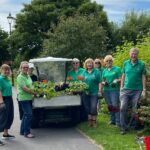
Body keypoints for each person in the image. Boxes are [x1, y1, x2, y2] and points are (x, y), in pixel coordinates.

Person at [120, 48, 146, 135]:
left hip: (137, 90)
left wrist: (144, 90)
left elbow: (143, 76)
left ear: (137, 54)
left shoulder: (142, 64)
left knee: (135, 109)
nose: (133, 55)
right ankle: (123, 127)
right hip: (126, 89)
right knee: (123, 107)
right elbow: (123, 75)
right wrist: (121, 86)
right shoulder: (125, 63)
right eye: (132, 53)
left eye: (135, 54)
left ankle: (133, 126)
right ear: (129, 54)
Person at [101, 55, 121, 127]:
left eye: (110, 61)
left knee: (115, 105)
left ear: (112, 61)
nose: (109, 62)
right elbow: (102, 81)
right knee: (110, 105)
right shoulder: (104, 71)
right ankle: (112, 120)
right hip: (106, 90)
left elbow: (121, 78)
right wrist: (104, 83)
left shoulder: (117, 69)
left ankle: (118, 122)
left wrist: (116, 80)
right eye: (107, 61)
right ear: (105, 62)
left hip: (114, 90)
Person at [17, 61, 35, 138]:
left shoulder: (27, 76)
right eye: (24, 67)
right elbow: (24, 88)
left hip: (29, 98)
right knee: (29, 114)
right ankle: (27, 132)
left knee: (25, 115)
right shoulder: (20, 77)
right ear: (21, 68)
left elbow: (31, 85)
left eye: (27, 67)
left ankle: (22, 131)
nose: (25, 68)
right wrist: (34, 93)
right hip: (23, 98)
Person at [82, 58, 101, 127]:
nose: (89, 64)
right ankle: (89, 121)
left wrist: (99, 90)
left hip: (94, 92)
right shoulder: (84, 72)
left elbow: (99, 82)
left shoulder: (96, 72)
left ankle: (94, 121)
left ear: (92, 64)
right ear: (86, 64)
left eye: (90, 63)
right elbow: (81, 82)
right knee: (87, 107)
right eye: (88, 63)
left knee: (93, 107)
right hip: (85, 92)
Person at [0, 64, 15, 142]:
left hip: (9, 99)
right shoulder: (0, 79)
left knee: (9, 116)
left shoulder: (7, 79)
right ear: (1, 70)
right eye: (5, 70)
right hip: (3, 100)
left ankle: (5, 134)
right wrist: (1, 102)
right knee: (2, 118)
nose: (7, 71)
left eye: (8, 70)